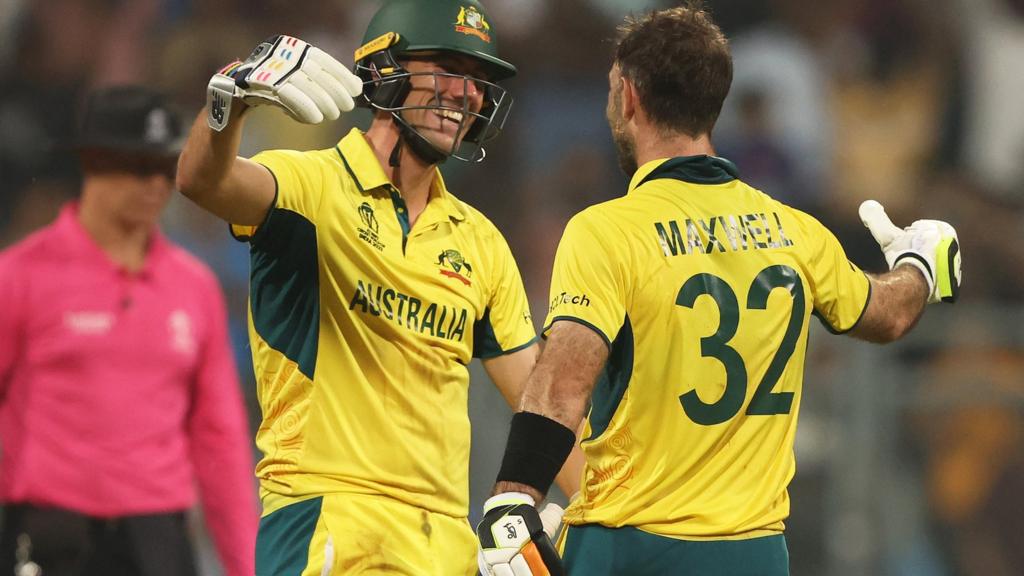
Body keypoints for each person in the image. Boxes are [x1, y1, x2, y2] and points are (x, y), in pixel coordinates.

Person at [476, 5, 962, 576]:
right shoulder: (794, 230)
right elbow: (888, 315)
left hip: (631, 547)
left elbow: (561, 388)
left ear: (628, 96)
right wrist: (921, 266)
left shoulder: (607, 230)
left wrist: (514, 498)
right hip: (755, 552)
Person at [175, 1, 581, 574]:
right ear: (385, 68)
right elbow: (202, 180)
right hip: (329, 519)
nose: (467, 94)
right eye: (446, 67)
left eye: (479, 81)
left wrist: (608, 514)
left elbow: (540, 404)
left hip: (445, 539)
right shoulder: (310, 186)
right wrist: (229, 104)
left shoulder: (481, 242)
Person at [0, 86, 257, 575]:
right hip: (50, 535)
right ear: (94, 163)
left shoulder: (193, 286)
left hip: (159, 539)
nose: (157, 186)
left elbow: (219, 437)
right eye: (139, 167)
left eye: (165, 168)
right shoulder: (21, 278)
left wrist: (245, 566)